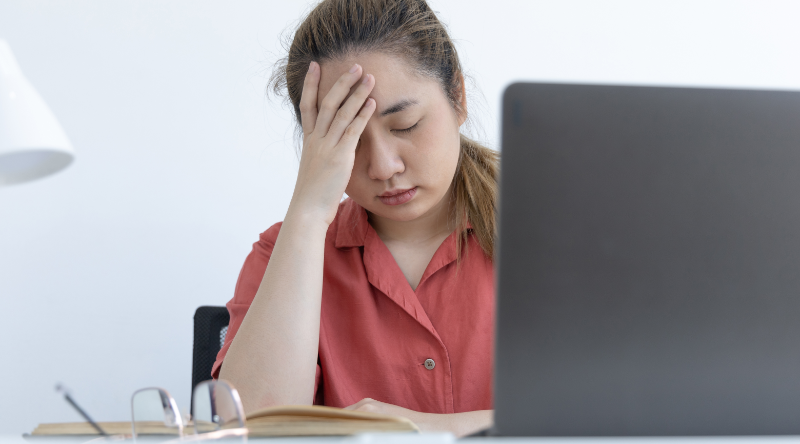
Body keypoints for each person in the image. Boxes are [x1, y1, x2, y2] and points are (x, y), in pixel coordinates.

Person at [213, 0, 499, 436]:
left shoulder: (558, 230)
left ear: (457, 96)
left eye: (404, 125)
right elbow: (249, 429)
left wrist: (426, 428)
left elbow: (620, 410)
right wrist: (308, 211)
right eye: (348, 140)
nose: (383, 167)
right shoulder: (283, 252)